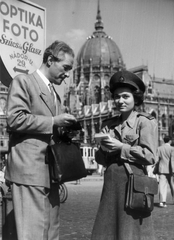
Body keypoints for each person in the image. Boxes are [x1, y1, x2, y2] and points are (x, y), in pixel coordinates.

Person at [5, 40, 77, 240]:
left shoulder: (56, 95)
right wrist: (54, 121)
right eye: (65, 67)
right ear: (50, 60)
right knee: (32, 234)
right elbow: (15, 119)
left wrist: (66, 131)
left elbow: (51, 128)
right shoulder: (23, 81)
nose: (68, 74)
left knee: (50, 232)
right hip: (29, 171)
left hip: (51, 173)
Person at [91, 70, 158, 240]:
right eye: (117, 96)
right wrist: (104, 150)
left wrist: (122, 147)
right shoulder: (109, 124)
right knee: (107, 230)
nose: (120, 101)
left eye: (125, 96)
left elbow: (150, 156)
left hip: (133, 183)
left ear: (135, 98)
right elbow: (100, 159)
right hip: (111, 185)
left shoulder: (145, 122)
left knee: (130, 231)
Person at [157, 135, 174, 207]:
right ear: (170, 141)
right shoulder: (172, 149)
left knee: (161, 186)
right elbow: (172, 160)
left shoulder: (159, 148)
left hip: (161, 169)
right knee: (173, 186)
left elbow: (157, 160)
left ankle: (162, 201)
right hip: (170, 170)